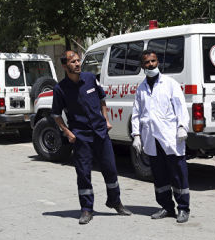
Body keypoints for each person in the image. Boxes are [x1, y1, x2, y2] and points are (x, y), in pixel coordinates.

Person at [51, 50, 131, 224]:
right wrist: (68, 132)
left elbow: (102, 99)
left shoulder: (90, 78)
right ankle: (87, 209)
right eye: (73, 62)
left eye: (79, 61)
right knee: (84, 173)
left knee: (110, 169)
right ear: (65, 66)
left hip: (100, 133)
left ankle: (115, 201)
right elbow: (56, 115)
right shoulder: (60, 89)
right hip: (81, 137)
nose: (78, 64)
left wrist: (106, 119)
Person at [131, 49, 191, 223]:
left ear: (158, 62)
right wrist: (136, 135)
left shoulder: (170, 84)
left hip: (171, 138)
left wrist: (182, 127)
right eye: (147, 62)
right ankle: (166, 206)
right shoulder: (141, 89)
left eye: (153, 61)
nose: (151, 65)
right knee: (159, 175)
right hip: (151, 139)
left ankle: (183, 208)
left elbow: (181, 107)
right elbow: (137, 113)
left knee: (178, 173)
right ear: (142, 66)